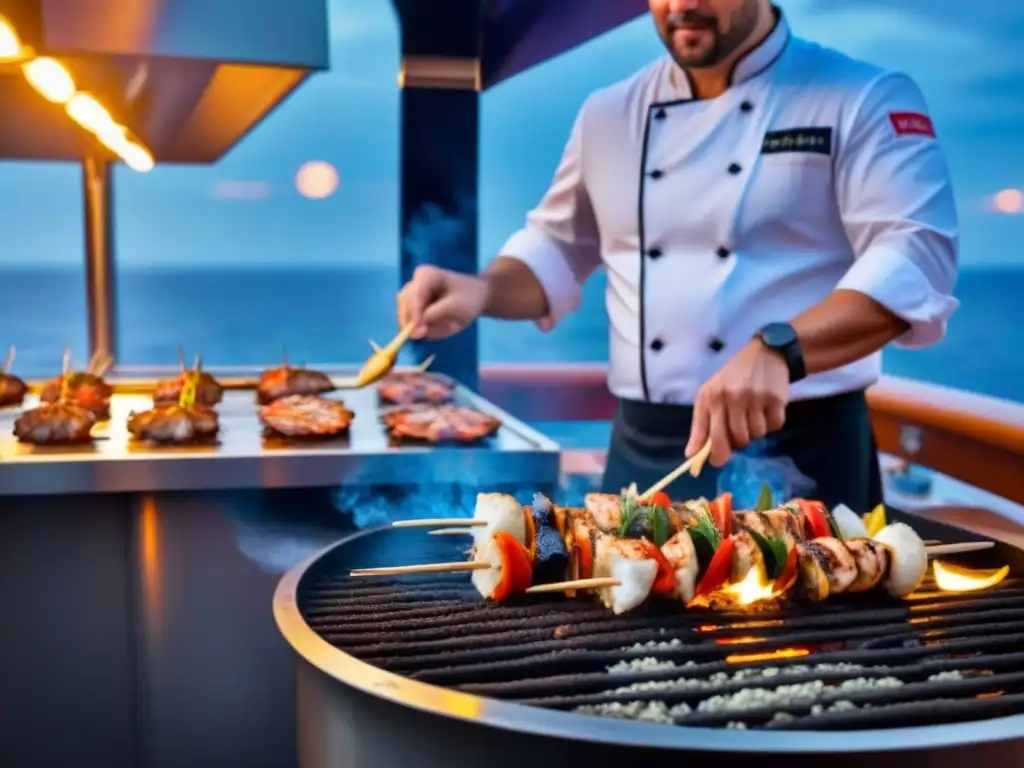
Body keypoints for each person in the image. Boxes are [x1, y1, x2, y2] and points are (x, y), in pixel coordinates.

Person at [396, 0, 958, 512]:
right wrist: (482, 290)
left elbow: (913, 257)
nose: (683, 6)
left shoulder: (860, 96)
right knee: (625, 622)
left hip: (801, 453)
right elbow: (558, 246)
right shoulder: (608, 113)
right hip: (642, 453)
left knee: (813, 623)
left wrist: (781, 348)